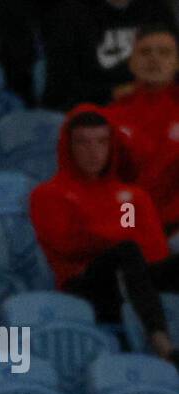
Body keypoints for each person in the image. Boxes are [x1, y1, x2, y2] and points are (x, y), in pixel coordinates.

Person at [30, 105, 178, 362]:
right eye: (83, 143)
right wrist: (116, 237)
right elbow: (67, 244)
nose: (94, 152)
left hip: (132, 273)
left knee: (141, 256)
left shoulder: (130, 197)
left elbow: (153, 248)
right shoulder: (50, 194)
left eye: (101, 142)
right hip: (85, 284)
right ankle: (162, 344)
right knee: (126, 251)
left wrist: (106, 235)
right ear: (69, 147)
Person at [44, 0, 177, 110]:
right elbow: (61, 86)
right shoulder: (70, 14)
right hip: (97, 109)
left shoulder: (157, 9)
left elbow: (173, 66)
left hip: (157, 100)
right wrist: (110, 93)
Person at [110, 23, 179, 231]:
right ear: (131, 62)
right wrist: (130, 227)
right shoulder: (111, 116)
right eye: (145, 52)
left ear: (176, 62)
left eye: (164, 53)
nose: (154, 59)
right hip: (130, 224)